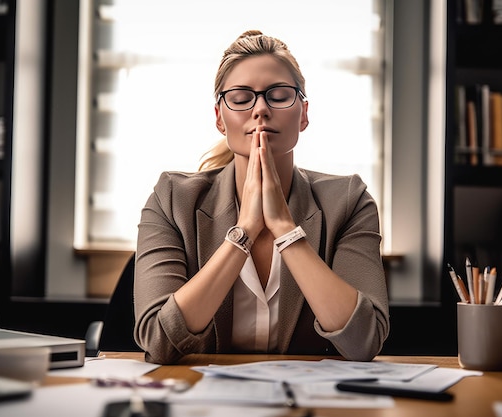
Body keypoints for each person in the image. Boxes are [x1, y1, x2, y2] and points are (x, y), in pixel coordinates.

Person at [134, 30, 389, 365]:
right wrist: (243, 233)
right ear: (219, 119)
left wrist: (286, 230)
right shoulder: (171, 198)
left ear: (304, 114)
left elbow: (364, 340)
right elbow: (158, 341)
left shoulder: (350, 200)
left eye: (279, 96)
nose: (260, 110)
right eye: (241, 99)